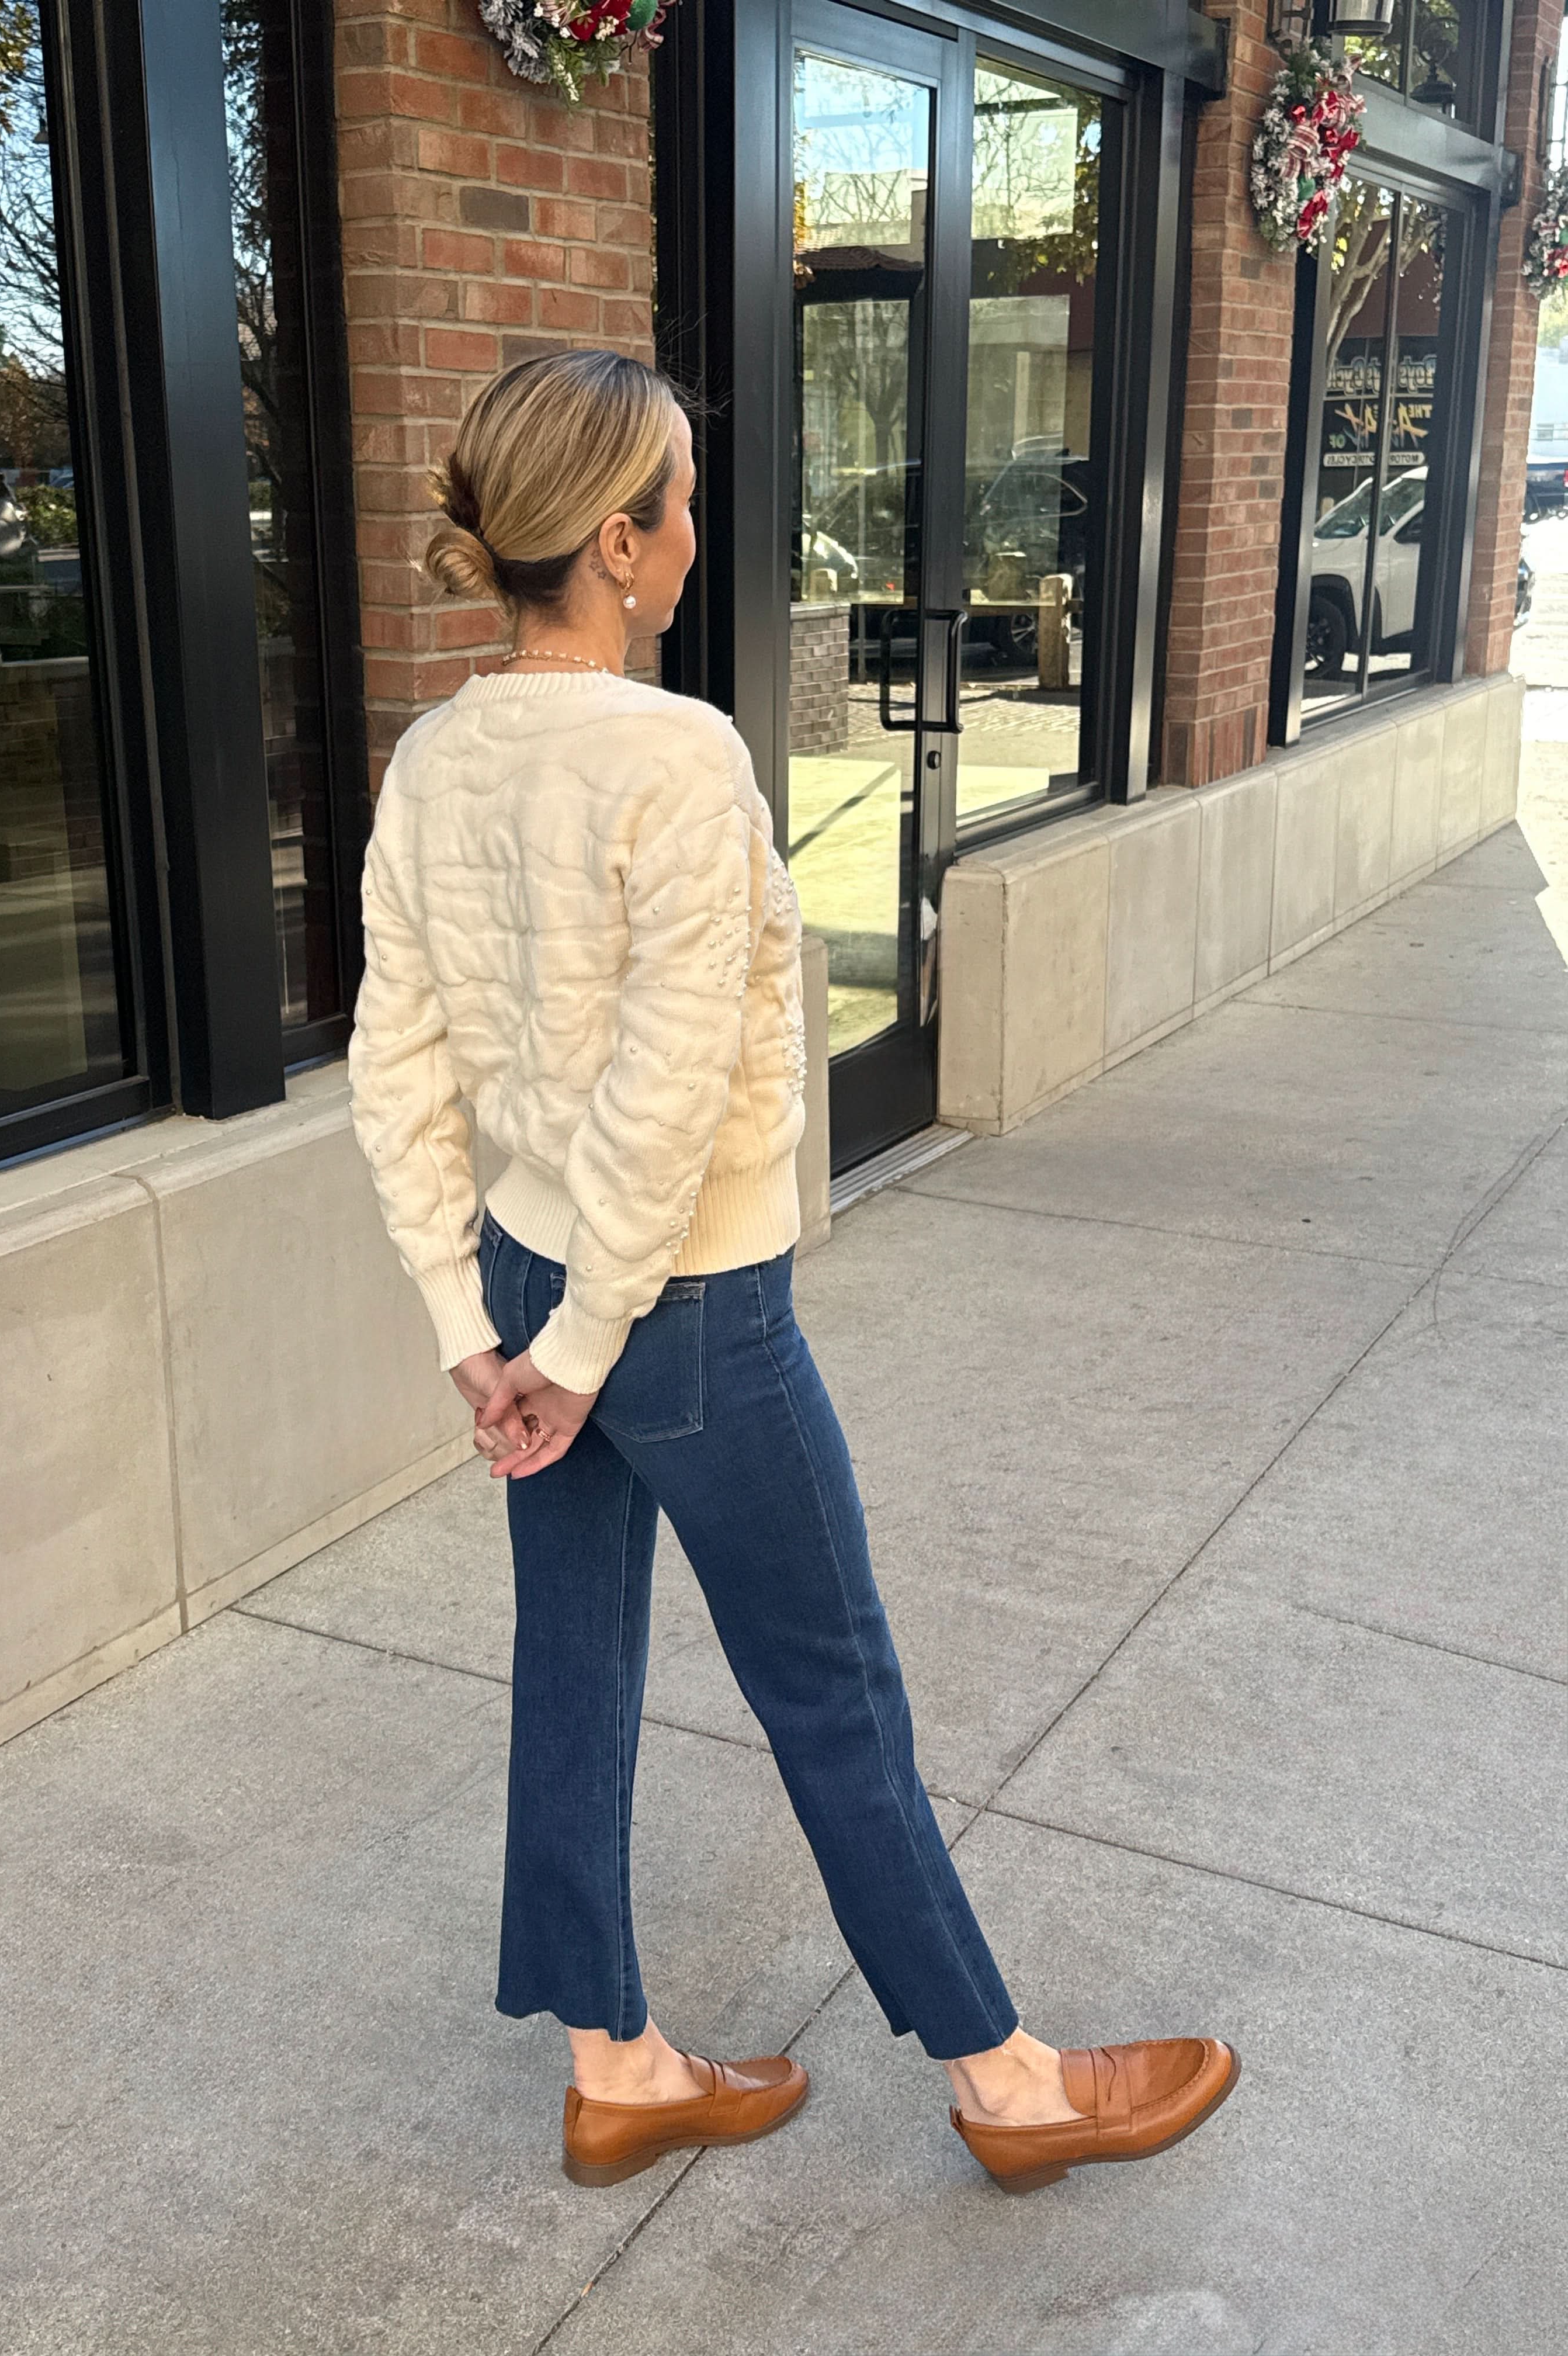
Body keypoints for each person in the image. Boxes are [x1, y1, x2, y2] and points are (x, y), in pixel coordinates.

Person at [348, 349, 1239, 2195]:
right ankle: (1009, 2087)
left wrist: (476, 1328)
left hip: (530, 1280)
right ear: (616, 542)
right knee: (832, 1683)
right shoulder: (675, 758)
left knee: (574, 1663)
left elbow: (397, 1063)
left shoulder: (435, 760)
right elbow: (668, 1096)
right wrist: (584, 1343)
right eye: (681, 499)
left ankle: (615, 2066)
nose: (697, 530)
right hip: (679, 1309)